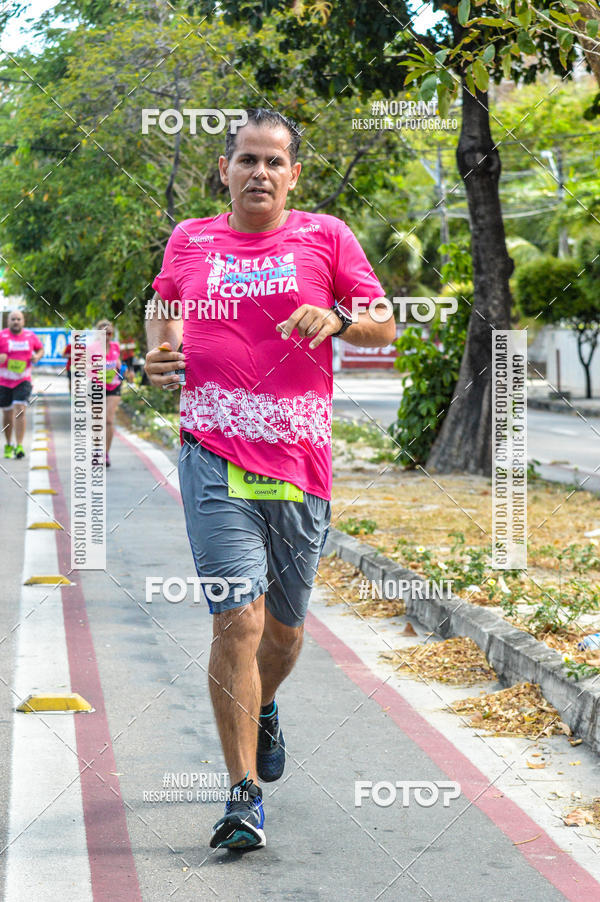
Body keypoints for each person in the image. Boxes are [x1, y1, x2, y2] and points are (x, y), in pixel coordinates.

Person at [145, 108, 395, 851]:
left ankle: (264, 707)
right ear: (224, 170)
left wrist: (340, 320)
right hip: (213, 456)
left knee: (282, 639)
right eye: (246, 159)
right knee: (238, 621)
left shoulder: (327, 236)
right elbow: (165, 303)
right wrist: (160, 350)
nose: (260, 173)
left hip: (297, 462)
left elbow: (384, 320)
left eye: (273, 162)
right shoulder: (191, 238)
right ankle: (243, 794)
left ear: (293, 175)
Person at [0, 310, 44, 459]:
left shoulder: (30, 336)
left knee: (20, 409)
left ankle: (19, 445)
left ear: (23, 321)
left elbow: (40, 349)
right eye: (13, 319)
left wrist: (37, 356)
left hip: (23, 380)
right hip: (4, 381)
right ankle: (8, 443)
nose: (16, 321)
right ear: (8, 322)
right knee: (7, 414)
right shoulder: (2, 336)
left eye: (19, 319)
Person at [94, 319, 122, 467]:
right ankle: (97, 448)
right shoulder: (92, 348)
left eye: (109, 332)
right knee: (98, 420)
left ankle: (105, 453)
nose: (107, 335)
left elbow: (120, 365)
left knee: (109, 419)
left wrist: (121, 368)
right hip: (96, 386)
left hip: (114, 385)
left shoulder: (116, 347)